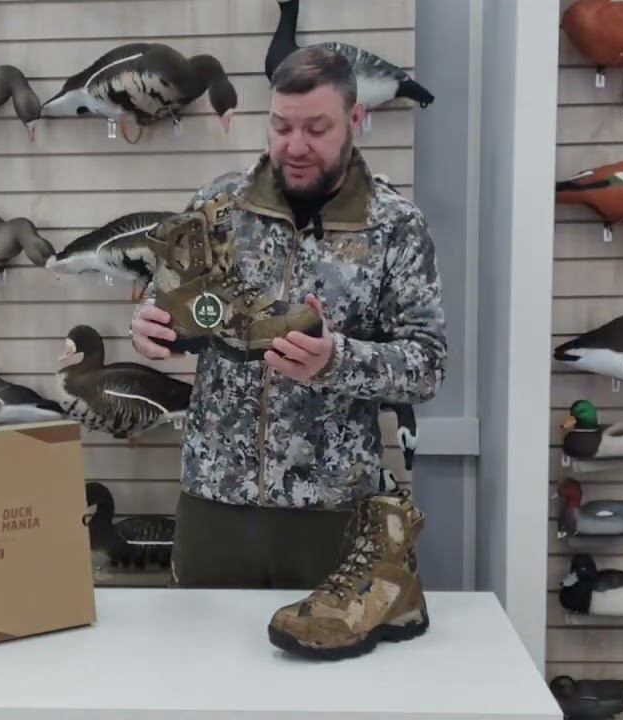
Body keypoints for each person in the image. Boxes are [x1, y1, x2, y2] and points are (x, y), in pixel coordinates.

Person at [131, 46, 447, 591]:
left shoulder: (395, 226)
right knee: (198, 647)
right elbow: (173, 305)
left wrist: (335, 360)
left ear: (355, 119)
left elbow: (427, 366)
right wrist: (150, 328)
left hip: (331, 514)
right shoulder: (218, 205)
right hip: (214, 505)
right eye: (281, 126)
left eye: (316, 129)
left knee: (328, 649)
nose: (295, 146)